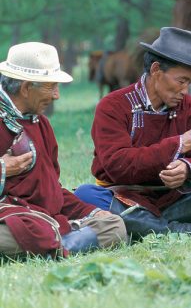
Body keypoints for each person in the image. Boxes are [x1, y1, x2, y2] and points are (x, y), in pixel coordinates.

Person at [75, 27, 191, 239]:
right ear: (155, 70)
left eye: (190, 82)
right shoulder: (112, 106)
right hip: (125, 196)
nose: (185, 90)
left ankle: (146, 227)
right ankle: (179, 230)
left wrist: (189, 170)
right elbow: (118, 164)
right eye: (181, 81)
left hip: (176, 200)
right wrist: (181, 143)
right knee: (85, 195)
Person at [0, 42, 126, 258]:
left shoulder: (42, 124)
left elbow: (52, 189)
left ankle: (52, 243)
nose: (56, 95)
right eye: (51, 87)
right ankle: (62, 242)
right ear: (26, 87)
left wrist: (91, 212)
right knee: (11, 235)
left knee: (114, 225)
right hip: (11, 218)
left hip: (43, 219)